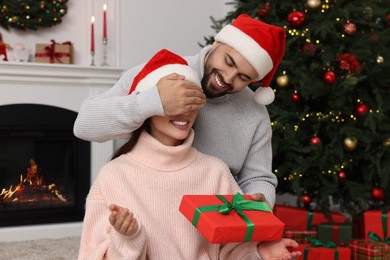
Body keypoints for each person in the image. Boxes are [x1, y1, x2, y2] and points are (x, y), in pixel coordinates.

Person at [77, 49, 301, 260]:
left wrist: (261, 253)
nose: (185, 111)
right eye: (173, 104)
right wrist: (128, 238)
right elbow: (94, 253)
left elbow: (231, 250)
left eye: (192, 103)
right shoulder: (113, 176)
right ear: (152, 107)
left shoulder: (215, 172)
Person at [74, 14, 286, 209]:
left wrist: (257, 201)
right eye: (228, 62)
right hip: (145, 202)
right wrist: (153, 101)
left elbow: (258, 178)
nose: (228, 78)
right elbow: (84, 125)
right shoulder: (162, 70)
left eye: (243, 78)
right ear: (217, 43)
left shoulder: (254, 113)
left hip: (211, 217)